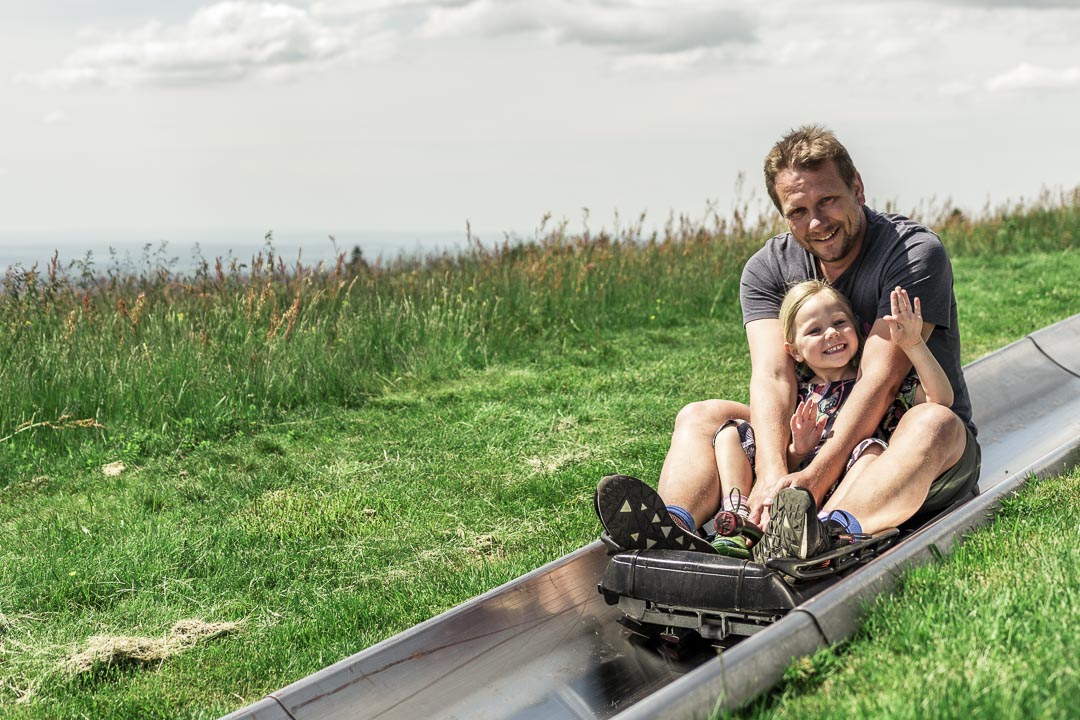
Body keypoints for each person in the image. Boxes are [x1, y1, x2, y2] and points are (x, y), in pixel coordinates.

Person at [595, 124, 980, 563]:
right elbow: (774, 375)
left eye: (828, 200)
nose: (817, 222)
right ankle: (672, 528)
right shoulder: (768, 269)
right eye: (798, 210)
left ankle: (827, 534)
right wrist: (773, 471)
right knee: (701, 416)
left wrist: (815, 477)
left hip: (899, 447)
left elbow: (881, 381)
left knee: (933, 423)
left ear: (858, 188)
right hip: (810, 440)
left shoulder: (911, 254)